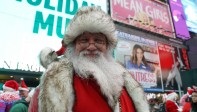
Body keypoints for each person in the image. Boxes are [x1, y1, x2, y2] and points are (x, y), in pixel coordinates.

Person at [28, 6, 150, 112]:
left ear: (107, 46)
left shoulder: (124, 79)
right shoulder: (50, 85)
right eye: (84, 40)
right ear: (74, 45)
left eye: (98, 40)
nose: (91, 47)